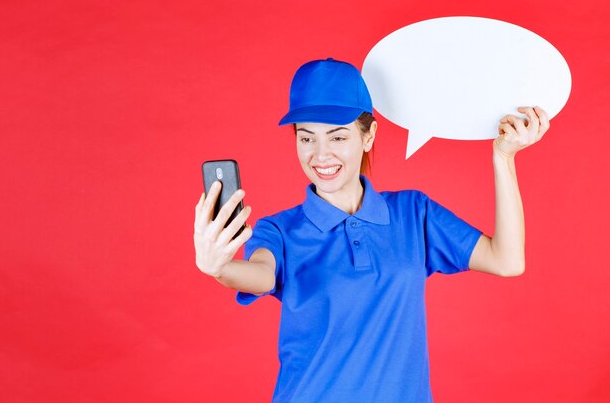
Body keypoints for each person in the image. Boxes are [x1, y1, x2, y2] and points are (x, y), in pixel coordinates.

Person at [194, 58, 550, 402]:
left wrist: (504, 158)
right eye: (306, 138)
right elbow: (261, 275)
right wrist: (220, 268)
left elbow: (507, 260)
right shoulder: (280, 229)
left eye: (337, 137)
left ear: (368, 136)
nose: (320, 155)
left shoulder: (413, 213)